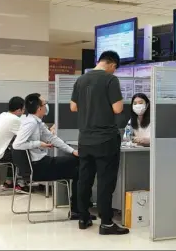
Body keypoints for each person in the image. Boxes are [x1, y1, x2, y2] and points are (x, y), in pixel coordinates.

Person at [70, 50, 129, 235]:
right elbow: (118, 108)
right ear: (112, 64)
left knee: (85, 180)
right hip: (105, 139)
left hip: (85, 140)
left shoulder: (80, 80)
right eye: (115, 69)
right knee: (105, 182)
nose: (114, 72)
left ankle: (83, 217)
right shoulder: (110, 80)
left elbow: (73, 107)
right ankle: (106, 223)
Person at [13, 93, 85, 220]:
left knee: (77, 162)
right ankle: (77, 210)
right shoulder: (31, 123)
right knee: (80, 168)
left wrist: (71, 151)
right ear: (39, 108)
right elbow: (17, 144)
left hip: (39, 163)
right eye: (45, 103)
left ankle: (78, 209)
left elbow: (52, 138)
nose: (47, 106)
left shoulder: (35, 121)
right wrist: (38, 143)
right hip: (38, 166)